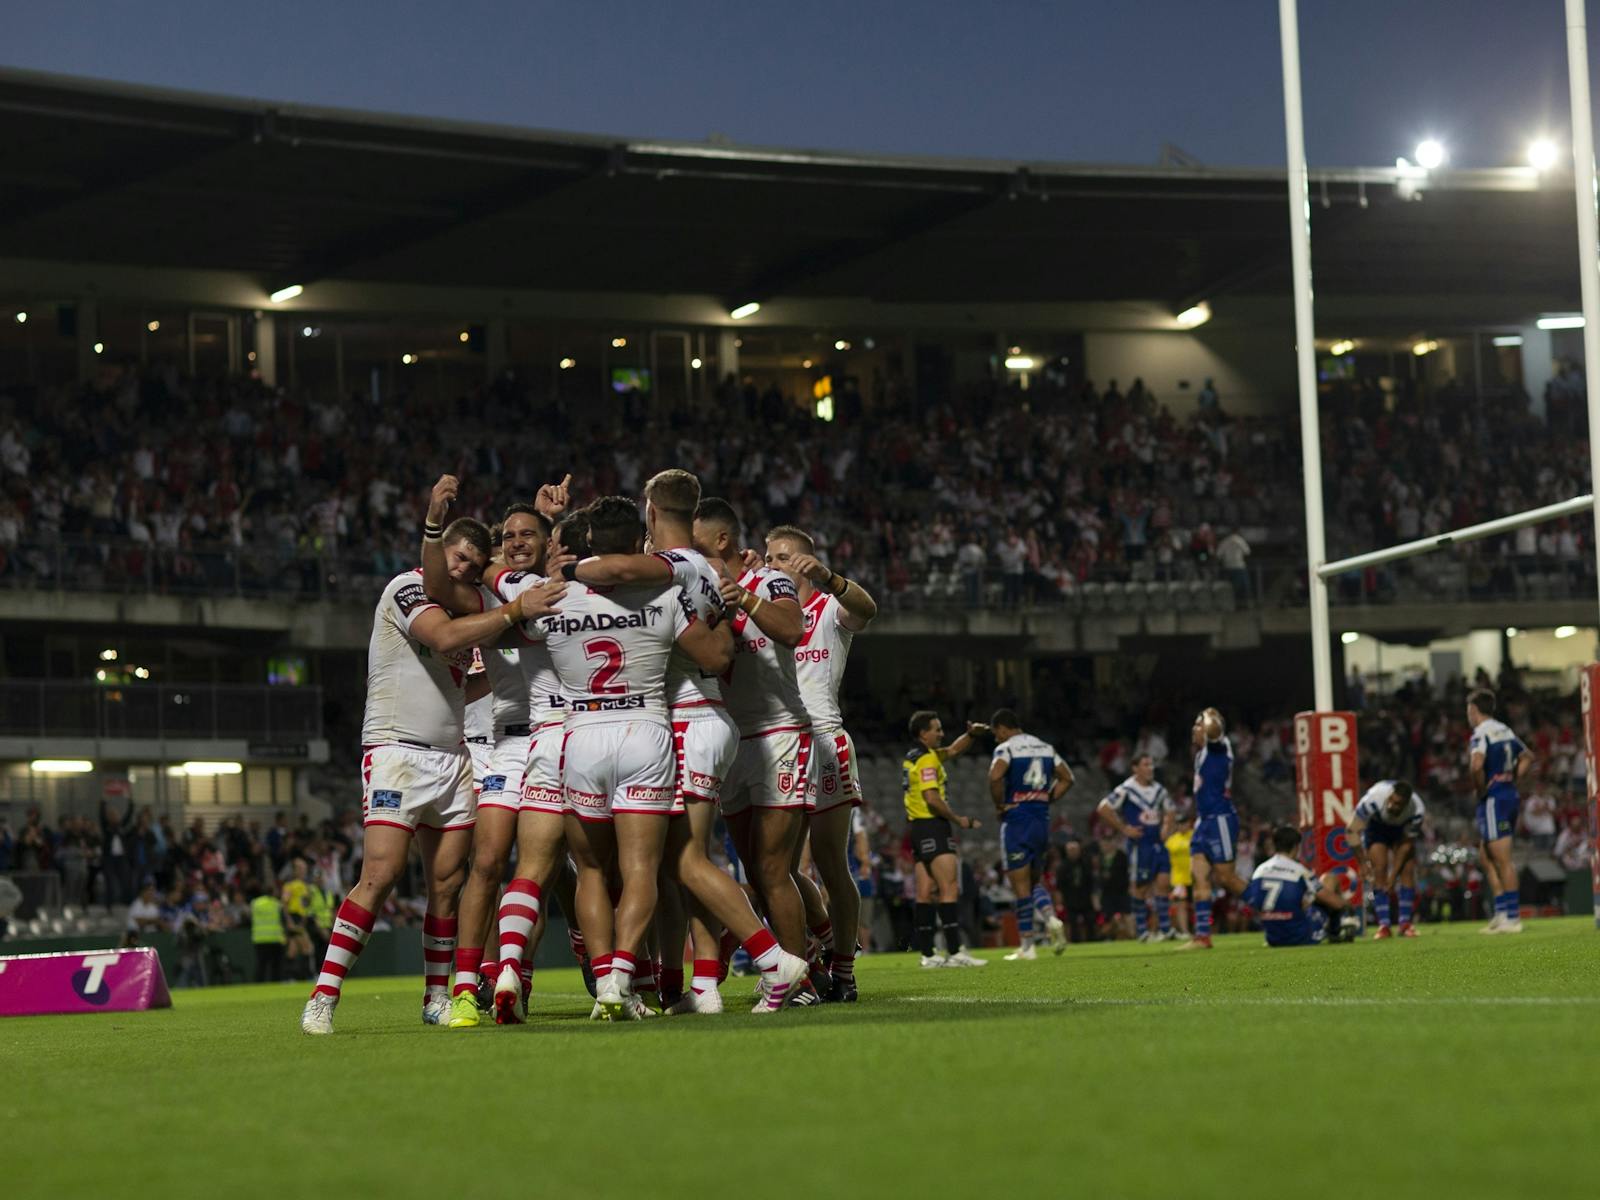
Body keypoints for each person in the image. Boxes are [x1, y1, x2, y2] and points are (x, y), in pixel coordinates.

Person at [300, 513, 564, 1035]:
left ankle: (437, 997)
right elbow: (443, 640)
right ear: (438, 553)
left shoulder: (470, 612)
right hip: (396, 750)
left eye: (471, 563)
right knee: (381, 874)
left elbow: (459, 684)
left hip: (452, 757)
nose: (462, 568)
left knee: (447, 883)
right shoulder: (407, 588)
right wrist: (513, 609)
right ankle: (323, 995)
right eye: (456, 557)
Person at [416, 474, 569, 1027]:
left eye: (527, 533)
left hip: (564, 738)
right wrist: (434, 522)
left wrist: (550, 527)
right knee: (486, 862)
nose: (515, 541)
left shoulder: (567, 583)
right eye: (508, 535)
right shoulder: (488, 594)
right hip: (506, 743)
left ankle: (521, 980)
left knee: (550, 872)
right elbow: (436, 584)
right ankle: (465, 987)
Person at [765, 522, 879, 1001]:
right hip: (781, 743)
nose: (772, 563)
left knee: (833, 864)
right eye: (769, 556)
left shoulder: (829, 607)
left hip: (827, 740)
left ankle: (844, 971)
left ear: (803, 561)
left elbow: (867, 609)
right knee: (778, 868)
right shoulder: (766, 612)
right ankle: (817, 956)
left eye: (780, 556)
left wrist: (832, 578)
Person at [902, 710, 989, 967]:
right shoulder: (927, 760)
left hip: (917, 829)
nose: (941, 733)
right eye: (936, 729)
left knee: (925, 892)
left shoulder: (914, 756)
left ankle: (928, 955)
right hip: (933, 827)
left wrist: (971, 734)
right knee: (949, 887)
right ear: (923, 733)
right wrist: (958, 819)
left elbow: (952, 750)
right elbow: (932, 798)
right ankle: (955, 951)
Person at [988, 709, 1073, 960]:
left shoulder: (1007, 748)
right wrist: (1046, 799)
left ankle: (1027, 947)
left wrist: (1000, 805)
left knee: (1020, 885)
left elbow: (994, 776)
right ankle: (1051, 918)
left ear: (1003, 728)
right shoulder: (1045, 747)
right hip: (1041, 821)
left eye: (996, 734)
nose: (996, 739)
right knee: (1035, 882)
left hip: (1017, 820)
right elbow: (1068, 778)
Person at [1181, 707, 1248, 949]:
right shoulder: (1201, 755)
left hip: (1220, 818)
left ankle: (1276, 909)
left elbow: (1214, 729)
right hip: (1204, 820)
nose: (1194, 729)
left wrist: (1208, 715)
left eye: (1197, 725)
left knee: (1226, 878)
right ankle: (1202, 935)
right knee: (1198, 875)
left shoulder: (1219, 746)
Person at [1467, 689, 1533, 934]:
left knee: (1502, 858)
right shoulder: (1504, 730)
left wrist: (1482, 788)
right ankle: (1501, 912)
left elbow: (1476, 766)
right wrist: (1512, 778)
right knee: (1487, 855)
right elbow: (1527, 756)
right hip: (1508, 795)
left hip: (1495, 799)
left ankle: (1513, 917)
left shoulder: (1481, 733)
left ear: (1474, 711)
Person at [1097, 753, 1177, 942]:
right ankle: (1142, 931)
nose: (1150, 768)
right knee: (1141, 888)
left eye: (1151, 764)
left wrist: (1166, 827)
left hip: (1158, 843)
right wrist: (1124, 828)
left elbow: (1171, 809)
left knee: (1163, 884)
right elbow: (1104, 808)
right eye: (1146, 764)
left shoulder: (1158, 789)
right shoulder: (1127, 789)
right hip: (1139, 845)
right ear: (1135, 768)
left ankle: (1165, 930)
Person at [1242, 825, 1351, 947]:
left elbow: (1255, 899)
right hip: (1299, 936)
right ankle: (1335, 932)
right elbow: (1336, 903)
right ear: (1296, 847)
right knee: (1330, 880)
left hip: (1272, 937)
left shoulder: (1259, 870)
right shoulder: (1299, 871)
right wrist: (1348, 906)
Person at [1346, 779, 1424, 939]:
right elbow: (1351, 831)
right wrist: (1362, 863)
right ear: (1389, 796)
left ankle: (1405, 924)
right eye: (1391, 801)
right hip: (1377, 828)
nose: (1391, 806)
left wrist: (1394, 875)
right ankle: (1384, 925)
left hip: (1400, 831)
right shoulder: (1374, 799)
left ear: (1406, 804)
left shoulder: (1417, 810)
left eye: (1397, 804)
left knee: (1407, 869)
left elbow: (1406, 846)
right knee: (1379, 869)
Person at [251, 881, 288, 982]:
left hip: (259, 939)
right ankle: (276, 983)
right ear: (273, 892)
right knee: (275, 965)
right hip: (275, 938)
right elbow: (283, 920)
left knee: (261, 964)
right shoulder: (277, 904)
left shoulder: (255, 903)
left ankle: (258, 985)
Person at [1165, 812, 1193, 938]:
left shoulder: (1194, 835)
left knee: (1198, 902)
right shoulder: (1171, 840)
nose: (1182, 826)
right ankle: (1185, 931)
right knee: (1181, 905)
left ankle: (1201, 929)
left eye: (1184, 823)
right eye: (1180, 823)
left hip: (1195, 875)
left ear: (1188, 823)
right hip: (1179, 878)